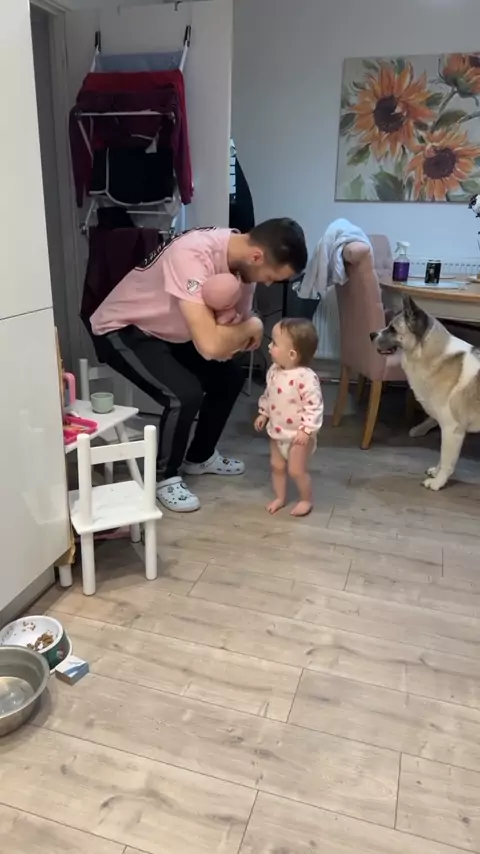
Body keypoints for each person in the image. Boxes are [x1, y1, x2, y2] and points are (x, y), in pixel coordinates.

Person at [90, 219, 308, 512]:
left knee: (229, 379)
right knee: (184, 394)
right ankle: (164, 478)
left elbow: (231, 337)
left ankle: (200, 457)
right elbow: (212, 344)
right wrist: (252, 326)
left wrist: (238, 331)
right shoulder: (192, 253)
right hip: (122, 328)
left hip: (167, 333)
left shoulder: (244, 269)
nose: (268, 283)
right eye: (270, 276)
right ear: (257, 256)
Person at [254, 318, 323, 517]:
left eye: (274, 343)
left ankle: (306, 499)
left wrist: (307, 430)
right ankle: (280, 497)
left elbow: (314, 406)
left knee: (296, 470)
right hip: (277, 431)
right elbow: (269, 395)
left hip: (298, 436)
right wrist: (264, 413)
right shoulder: (273, 371)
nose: (269, 346)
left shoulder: (306, 378)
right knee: (276, 466)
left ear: (292, 354)